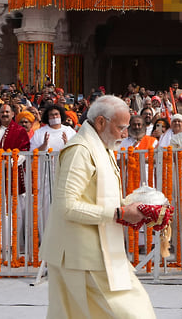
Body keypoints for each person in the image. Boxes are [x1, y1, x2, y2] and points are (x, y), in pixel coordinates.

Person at [41, 95, 154, 318]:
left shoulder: (102, 146)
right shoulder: (80, 150)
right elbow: (68, 206)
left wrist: (137, 209)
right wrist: (120, 214)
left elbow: (101, 197)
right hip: (79, 256)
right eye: (121, 127)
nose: (125, 134)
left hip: (95, 251)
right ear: (101, 122)